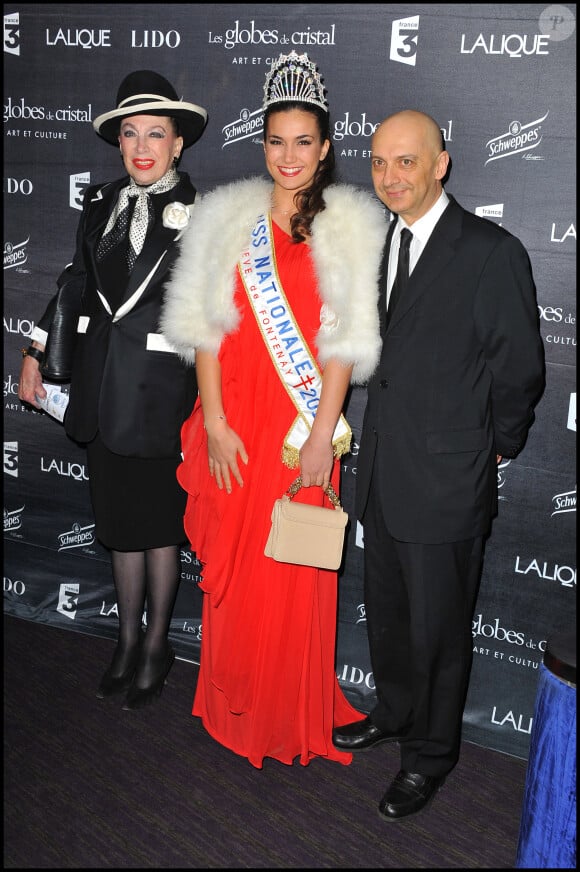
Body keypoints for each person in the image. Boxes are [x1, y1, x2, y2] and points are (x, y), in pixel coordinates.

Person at [161, 51, 387, 768]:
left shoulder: (351, 224)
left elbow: (345, 345)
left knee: (291, 568)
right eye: (275, 142)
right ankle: (235, 701)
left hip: (299, 431)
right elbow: (203, 325)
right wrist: (217, 421)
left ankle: (284, 708)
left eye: (303, 142)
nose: (288, 157)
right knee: (242, 571)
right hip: (237, 422)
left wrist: (322, 438)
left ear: (324, 148)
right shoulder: (228, 215)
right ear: (263, 146)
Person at [332, 110, 545, 819]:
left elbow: (519, 371)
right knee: (389, 617)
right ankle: (394, 712)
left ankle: (429, 756)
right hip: (384, 474)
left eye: (407, 162)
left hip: (448, 481)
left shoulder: (490, 251)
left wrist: (496, 445)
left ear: (441, 164)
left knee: (440, 632)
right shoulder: (380, 242)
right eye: (380, 163)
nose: (390, 177)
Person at [17, 70, 208, 711]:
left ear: (179, 143)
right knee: (121, 526)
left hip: (161, 395)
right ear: (119, 142)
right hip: (101, 389)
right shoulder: (98, 202)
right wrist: (37, 349)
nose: (142, 146)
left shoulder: (204, 213)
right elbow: (75, 282)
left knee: (159, 528)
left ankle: (158, 646)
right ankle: (125, 640)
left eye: (156, 133)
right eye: (130, 134)